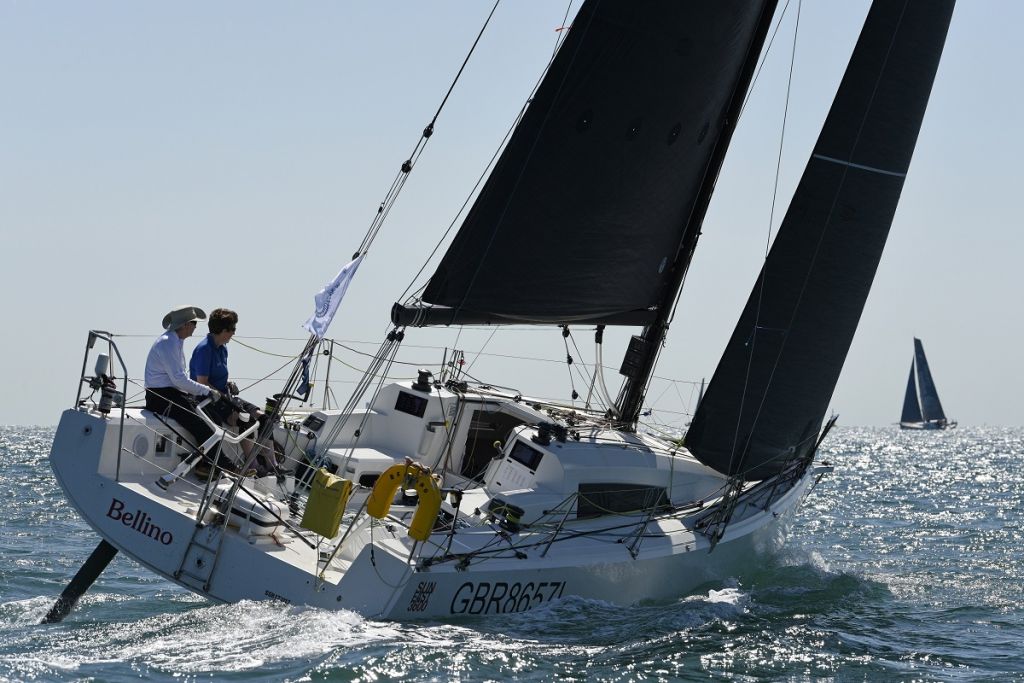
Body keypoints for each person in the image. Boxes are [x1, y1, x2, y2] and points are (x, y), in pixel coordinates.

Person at [189, 308, 270, 473]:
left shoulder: (222, 348)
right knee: (244, 420)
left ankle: (269, 464)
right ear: (223, 331)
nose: (234, 333)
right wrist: (220, 393)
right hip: (206, 398)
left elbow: (218, 377)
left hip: (224, 395)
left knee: (264, 418)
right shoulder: (204, 349)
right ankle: (252, 464)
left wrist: (229, 384)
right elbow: (202, 383)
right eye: (232, 329)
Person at [144, 305, 221, 457]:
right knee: (201, 426)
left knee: (212, 419)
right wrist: (207, 390)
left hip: (170, 394)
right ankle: (224, 465)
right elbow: (179, 379)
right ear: (186, 325)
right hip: (161, 397)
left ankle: (206, 464)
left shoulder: (175, 341)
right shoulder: (168, 343)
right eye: (194, 323)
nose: (195, 327)